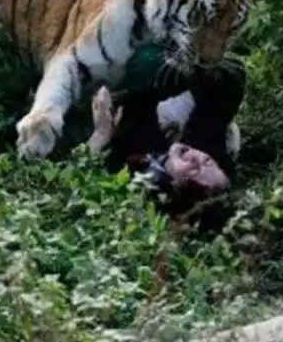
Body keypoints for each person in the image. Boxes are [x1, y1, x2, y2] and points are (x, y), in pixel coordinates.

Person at [86, 54, 246, 228]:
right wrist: (186, 65)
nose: (196, 157)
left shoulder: (136, 192)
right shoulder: (204, 148)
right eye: (207, 161)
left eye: (193, 171)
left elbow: (84, 180)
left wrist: (101, 134)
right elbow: (231, 77)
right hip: (168, 99)